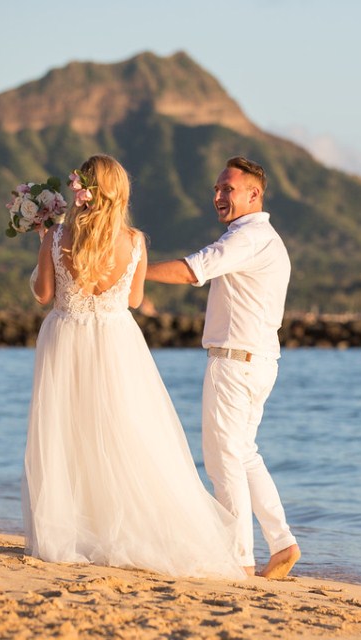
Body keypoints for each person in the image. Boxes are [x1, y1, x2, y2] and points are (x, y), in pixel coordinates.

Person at [21, 154, 245, 580]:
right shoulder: (135, 240)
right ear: (119, 191)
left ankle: (72, 532)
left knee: (66, 433)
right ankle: (118, 528)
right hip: (115, 340)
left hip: (65, 336)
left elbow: (43, 294)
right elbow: (134, 301)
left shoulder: (56, 236)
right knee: (123, 431)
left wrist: (40, 250)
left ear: (82, 189)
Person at [146, 156, 301, 579]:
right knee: (245, 454)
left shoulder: (246, 239)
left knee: (223, 462)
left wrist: (133, 271)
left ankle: (239, 560)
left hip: (235, 363)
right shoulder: (264, 238)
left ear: (254, 194)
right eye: (216, 189)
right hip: (260, 361)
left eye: (227, 189)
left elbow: (193, 270)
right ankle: (282, 542)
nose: (217, 196)